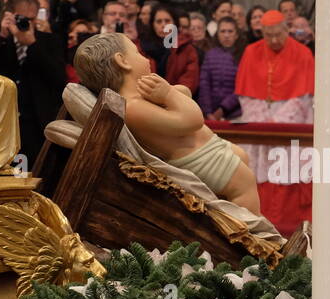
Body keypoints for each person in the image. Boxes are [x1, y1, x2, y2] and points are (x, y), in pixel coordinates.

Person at [75, 33, 258, 213]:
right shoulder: (133, 107)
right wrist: (169, 95)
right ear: (123, 61)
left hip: (207, 149)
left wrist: (170, 92)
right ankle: (251, 236)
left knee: (242, 157)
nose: (144, 57)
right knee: (244, 184)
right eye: (137, 52)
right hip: (197, 159)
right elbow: (192, 120)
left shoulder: (141, 98)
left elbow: (184, 93)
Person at [235, 9, 314, 232]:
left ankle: (288, 227)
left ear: (287, 29)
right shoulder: (251, 52)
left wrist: (277, 123)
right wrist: (263, 122)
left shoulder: (303, 53)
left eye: (278, 34)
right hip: (259, 122)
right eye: (268, 35)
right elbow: (246, 95)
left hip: (291, 123)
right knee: (258, 175)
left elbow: (304, 97)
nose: (274, 40)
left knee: (286, 174)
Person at [0, 0, 66, 166]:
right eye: (22, 18)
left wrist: (32, 44)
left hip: (38, 124)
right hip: (3, 125)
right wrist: (2, 35)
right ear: (9, 15)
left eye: (31, 19)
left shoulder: (50, 41)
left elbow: (58, 79)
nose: (27, 24)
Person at [198, 17, 242, 120]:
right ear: (217, 34)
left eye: (230, 31)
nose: (226, 35)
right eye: (223, 31)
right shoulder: (210, 55)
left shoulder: (243, 55)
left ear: (236, 35)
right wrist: (208, 111)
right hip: (210, 113)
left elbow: (242, 88)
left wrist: (223, 109)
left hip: (235, 113)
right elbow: (204, 84)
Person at [151, 6, 201, 95]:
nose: (163, 25)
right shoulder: (143, 47)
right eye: (159, 21)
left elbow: (189, 82)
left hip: (176, 101)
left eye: (167, 21)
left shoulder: (186, 49)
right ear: (152, 24)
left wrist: (167, 96)